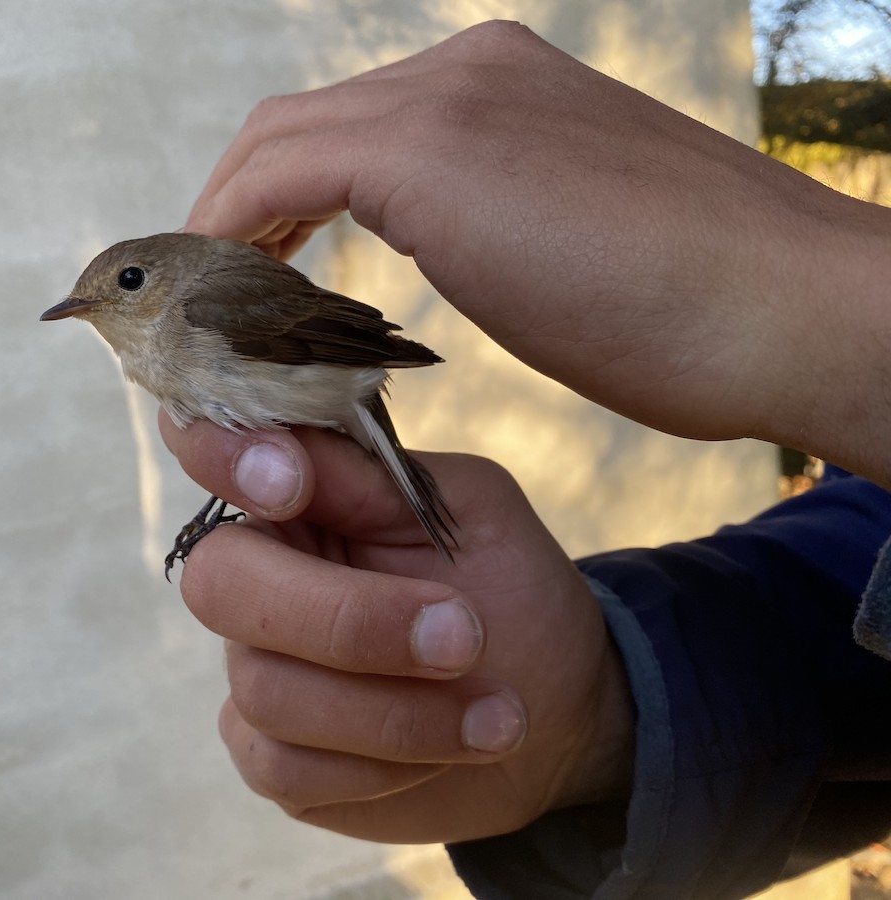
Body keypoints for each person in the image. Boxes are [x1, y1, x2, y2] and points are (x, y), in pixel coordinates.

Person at [166, 21, 891, 899]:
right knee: (278, 489)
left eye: (123, 287)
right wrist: (612, 702)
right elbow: (862, 549)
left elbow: (320, 339)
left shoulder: (206, 305)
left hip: (335, 376)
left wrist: (839, 309)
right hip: (683, 704)